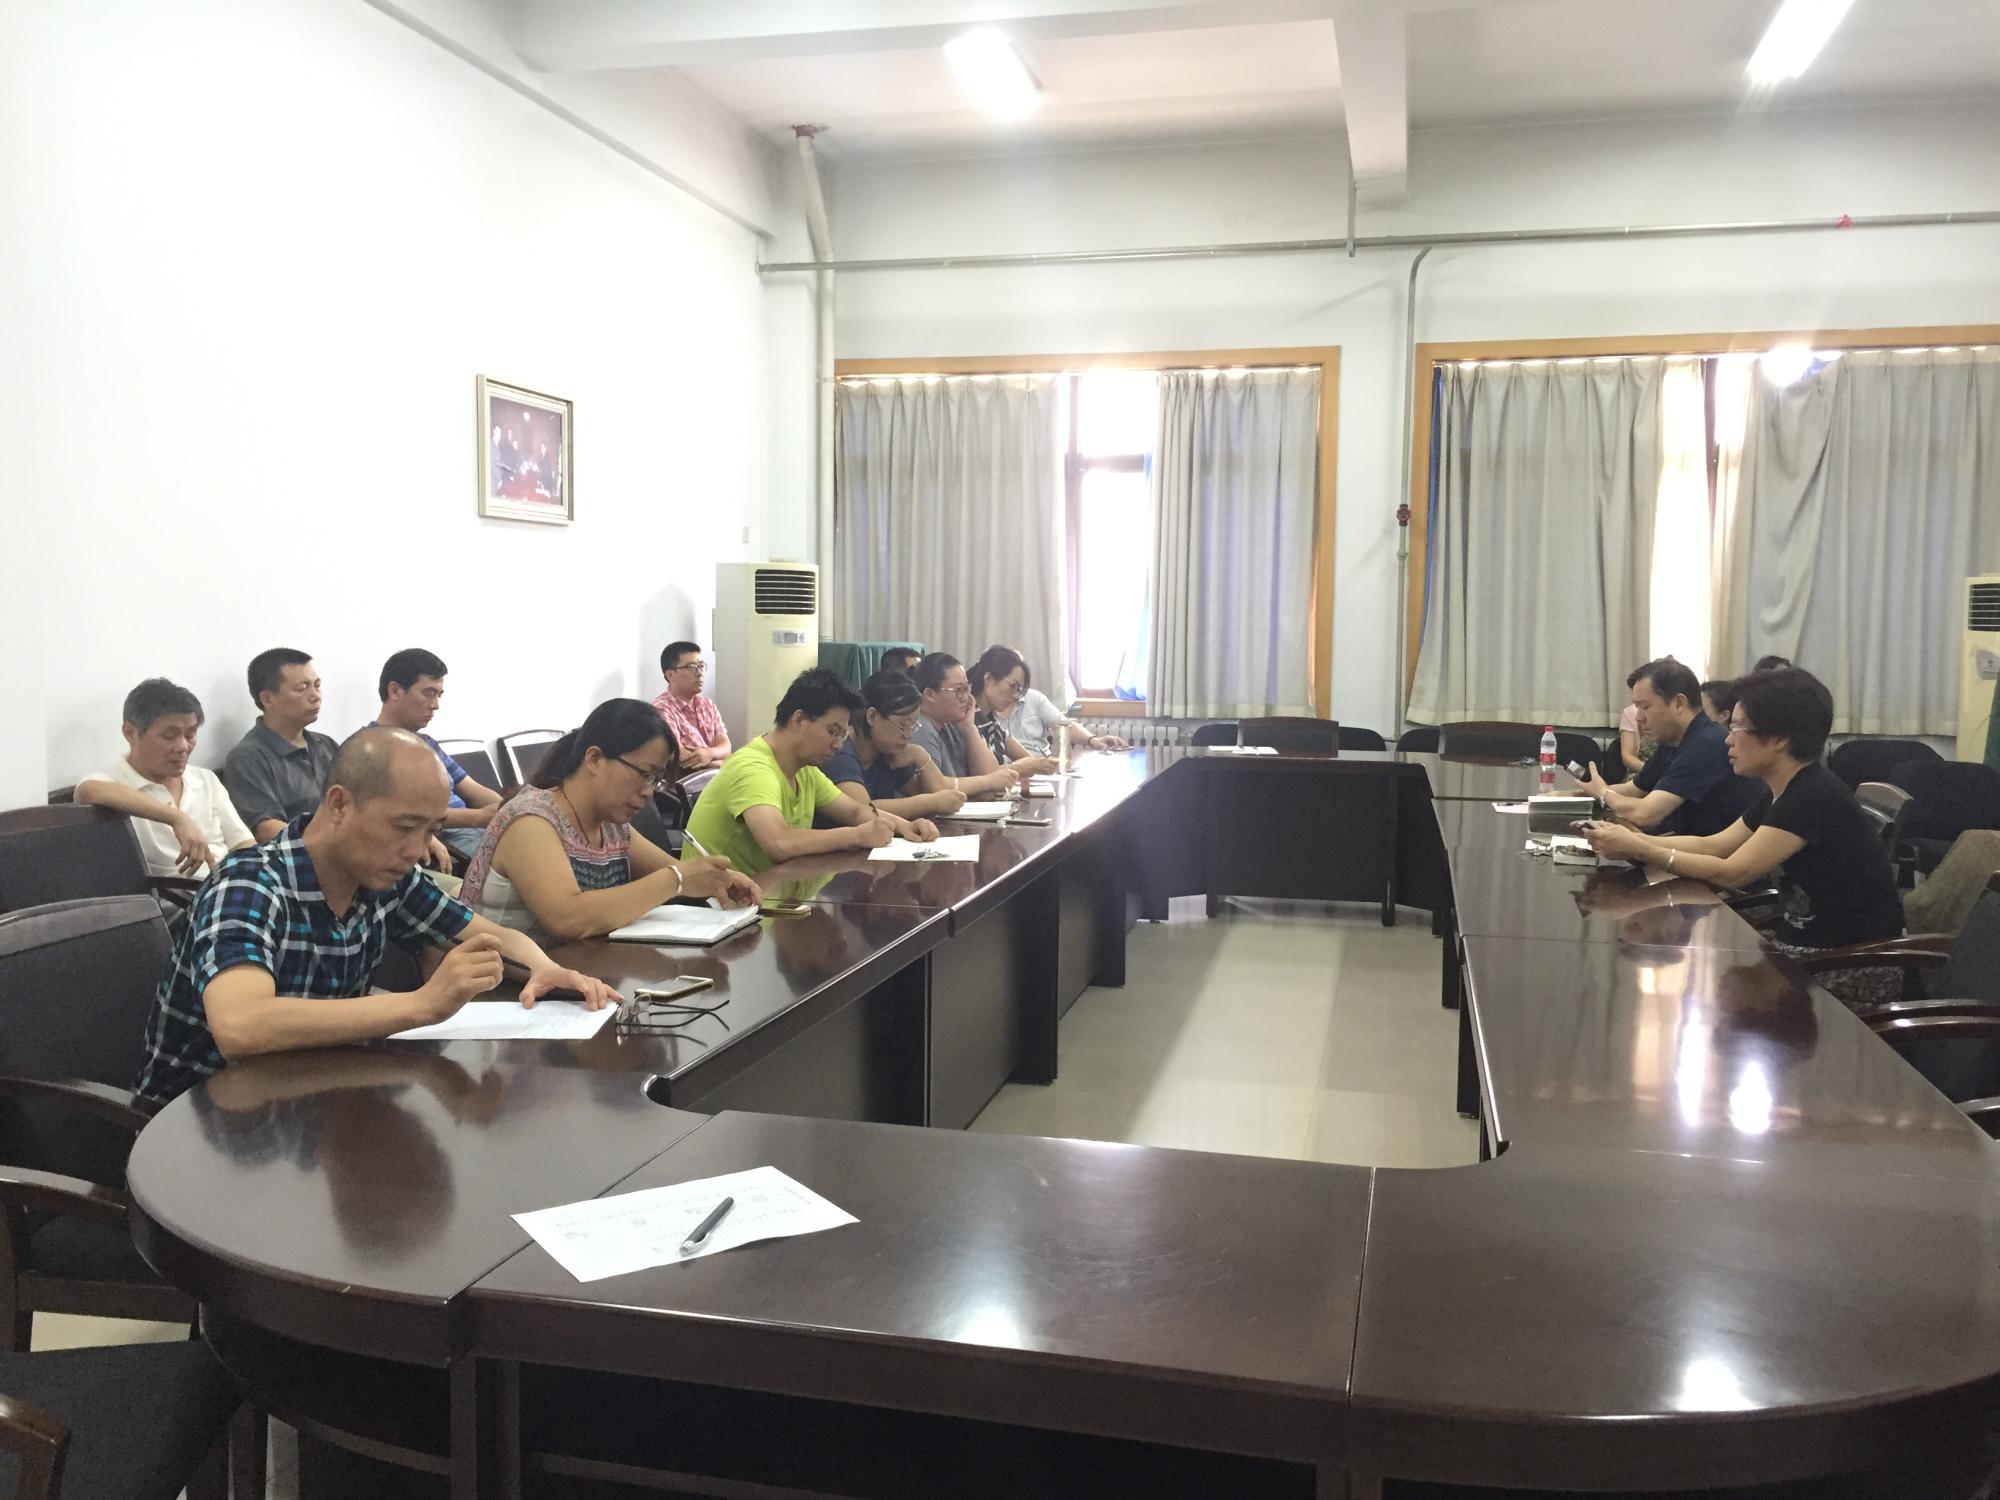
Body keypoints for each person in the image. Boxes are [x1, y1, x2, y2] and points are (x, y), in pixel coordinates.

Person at [134, 727, 619, 1106]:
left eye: (430, 830)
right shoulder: (251, 884)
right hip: (200, 1127)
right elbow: (241, 1026)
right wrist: (422, 1005)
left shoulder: (384, 877)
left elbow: (491, 935)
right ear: (339, 804)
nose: (417, 850)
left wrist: (543, 968)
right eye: (404, 826)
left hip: (313, 1097)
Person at [1583, 668, 1905, 1009]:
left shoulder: (1812, 796)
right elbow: (1716, 845)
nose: (1728, 740)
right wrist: (1630, 841)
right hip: (1802, 943)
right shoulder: (1785, 788)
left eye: (1738, 728)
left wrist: (1640, 847)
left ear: (1779, 738)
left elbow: (1733, 872)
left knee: (1699, 995)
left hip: (1847, 963)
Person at [459, 699, 759, 944]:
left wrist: (717, 879)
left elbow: (676, 871)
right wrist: (677, 880)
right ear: (594, 759)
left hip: (579, 974)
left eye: (655, 780)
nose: (648, 792)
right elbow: (568, 918)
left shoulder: (612, 825)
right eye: (644, 774)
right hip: (506, 984)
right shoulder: (532, 820)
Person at [685, 669, 926, 878]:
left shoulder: (805, 770)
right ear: (799, 719)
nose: (838, 745)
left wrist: (904, 826)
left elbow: (854, 811)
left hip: (768, 892)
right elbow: (778, 843)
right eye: (833, 731)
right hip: (715, 905)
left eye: (842, 735)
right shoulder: (754, 768)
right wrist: (856, 836)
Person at [76, 678, 254, 879]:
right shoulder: (114, 782)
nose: (183, 747)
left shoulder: (205, 780)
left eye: (190, 735)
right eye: (169, 736)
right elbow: (88, 790)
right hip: (178, 895)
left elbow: (243, 843)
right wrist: (177, 818)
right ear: (130, 733)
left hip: (230, 886)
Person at [1572, 657, 1761, 837]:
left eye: (1645, 707)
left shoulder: (1707, 744)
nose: (1638, 717)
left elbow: (1645, 814)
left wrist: (1602, 792)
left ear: (1679, 703)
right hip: (1690, 846)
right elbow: (1634, 789)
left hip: (1716, 854)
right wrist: (1568, 796)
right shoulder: (1673, 739)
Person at [371, 647, 502, 865]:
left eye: (439, 695)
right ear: (395, 691)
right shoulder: (369, 750)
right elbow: (402, 814)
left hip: (476, 830)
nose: (435, 705)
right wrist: (479, 818)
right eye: (428, 693)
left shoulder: (428, 743)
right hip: (446, 839)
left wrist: (509, 809)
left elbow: (472, 789)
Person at [821, 671, 970, 823]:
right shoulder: (839, 751)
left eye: (913, 726)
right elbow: (862, 809)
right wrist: (931, 802)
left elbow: (940, 795)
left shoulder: (887, 751)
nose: (908, 736)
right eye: (903, 725)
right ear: (872, 716)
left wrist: (921, 756)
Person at [224, 648, 338, 842]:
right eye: (302, 688)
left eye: (317, 686)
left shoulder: (326, 745)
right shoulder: (248, 758)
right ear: (268, 699)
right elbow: (267, 829)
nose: (315, 696)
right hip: (303, 854)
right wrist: (331, 843)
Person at [968, 644, 1129, 767]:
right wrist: (1025, 767)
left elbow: (1061, 726)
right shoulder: (971, 719)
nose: (1016, 695)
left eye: (1020, 689)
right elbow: (990, 777)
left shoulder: (993, 724)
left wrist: (1092, 740)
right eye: (1013, 686)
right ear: (988, 679)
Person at [908, 653, 1020, 798]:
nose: (966, 698)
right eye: (959, 690)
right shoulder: (919, 728)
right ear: (929, 694)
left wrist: (969, 728)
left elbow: (992, 783)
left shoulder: (952, 723)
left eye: (967, 689)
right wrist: (987, 782)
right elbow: (936, 790)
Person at [651, 641, 732, 772]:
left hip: (718, 775)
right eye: (691, 667)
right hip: (690, 780)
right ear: (670, 675)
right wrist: (722, 762)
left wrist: (710, 753)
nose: (699, 673)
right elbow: (681, 757)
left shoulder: (707, 704)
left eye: (701, 666)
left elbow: (725, 746)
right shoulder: (661, 709)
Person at [1616, 662, 1654, 773]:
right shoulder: (1631, 713)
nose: (1639, 718)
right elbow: (1627, 757)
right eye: (1637, 706)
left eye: (1646, 706)